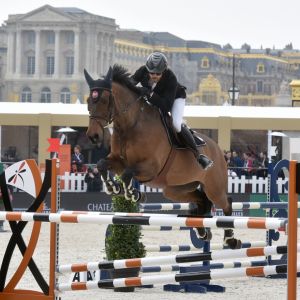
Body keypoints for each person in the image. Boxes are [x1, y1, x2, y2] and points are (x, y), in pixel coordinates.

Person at [131, 52, 213, 170]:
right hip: (155, 98)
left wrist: (150, 93)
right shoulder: (142, 71)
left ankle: (198, 155)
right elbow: (130, 83)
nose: (154, 75)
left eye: (158, 73)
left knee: (176, 124)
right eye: (151, 72)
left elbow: (165, 106)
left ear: (163, 71)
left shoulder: (171, 78)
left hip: (175, 98)